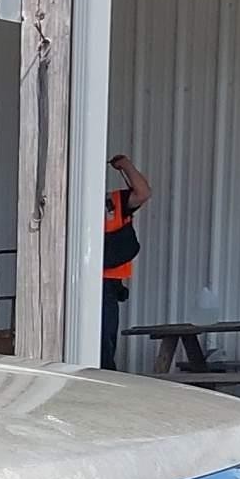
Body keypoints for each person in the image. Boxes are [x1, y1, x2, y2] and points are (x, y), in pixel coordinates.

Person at [102, 153, 151, 369]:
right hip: (73, 284)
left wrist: (126, 166)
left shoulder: (115, 201)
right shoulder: (65, 203)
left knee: (104, 345)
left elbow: (143, 193)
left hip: (107, 285)